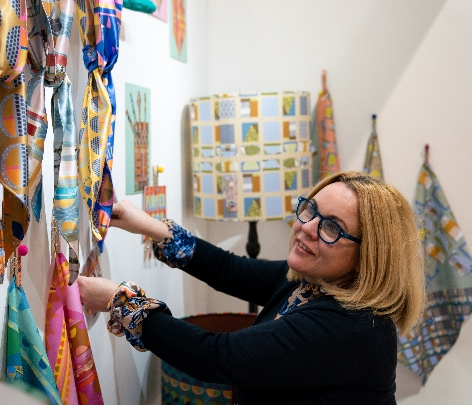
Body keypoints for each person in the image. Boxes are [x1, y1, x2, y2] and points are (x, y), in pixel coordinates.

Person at [78, 171, 426, 404]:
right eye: (310, 210)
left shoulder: (351, 327)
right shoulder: (313, 283)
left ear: (370, 256)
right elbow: (232, 270)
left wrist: (119, 301)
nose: (306, 227)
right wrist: (153, 228)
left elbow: (217, 356)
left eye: (331, 228)